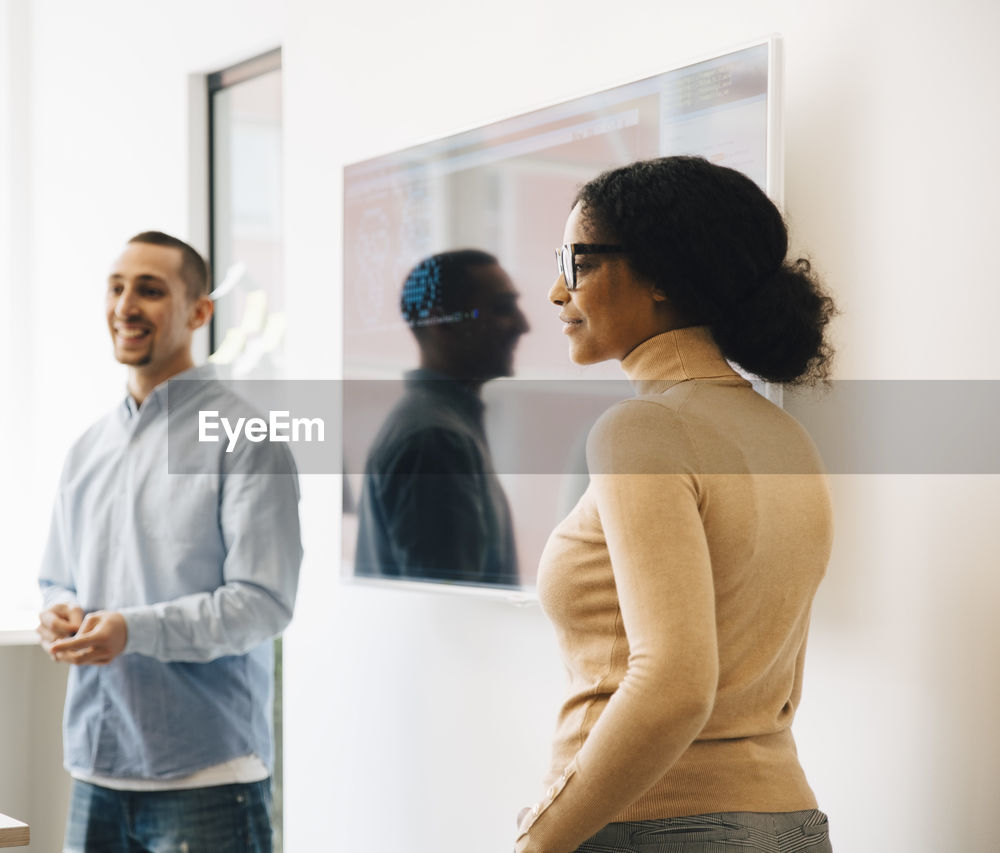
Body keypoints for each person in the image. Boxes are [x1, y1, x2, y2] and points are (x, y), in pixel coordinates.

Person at [515, 156, 837, 853]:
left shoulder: (644, 428)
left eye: (578, 264)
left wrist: (540, 837)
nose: (554, 291)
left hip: (657, 825)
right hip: (786, 823)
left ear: (660, 274)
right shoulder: (783, 434)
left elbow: (675, 682)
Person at [36, 231, 302, 853]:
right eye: (117, 287)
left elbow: (262, 604)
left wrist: (131, 629)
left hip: (205, 778)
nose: (126, 305)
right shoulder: (87, 448)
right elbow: (56, 577)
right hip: (96, 768)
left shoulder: (247, 439)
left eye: (150, 291)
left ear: (199, 312)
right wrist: (56, 612)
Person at [354, 249, 529, 587]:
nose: (523, 325)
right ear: (441, 322)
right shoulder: (434, 439)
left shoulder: (440, 426)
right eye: (502, 308)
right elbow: (449, 612)